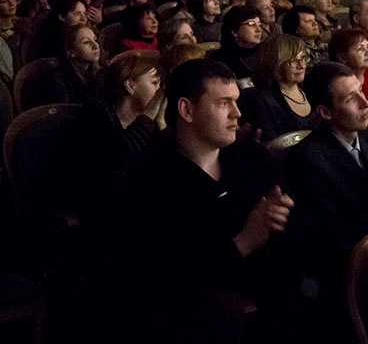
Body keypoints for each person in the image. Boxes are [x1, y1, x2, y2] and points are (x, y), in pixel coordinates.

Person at [113, 59, 293, 342]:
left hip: (282, 294)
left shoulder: (253, 159)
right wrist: (244, 241)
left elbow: (294, 232)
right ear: (186, 109)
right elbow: (165, 281)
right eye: (224, 103)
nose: (237, 113)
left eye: (236, 101)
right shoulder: (149, 181)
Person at [285, 62, 368, 335]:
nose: (365, 103)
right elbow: (333, 239)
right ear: (326, 112)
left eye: (361, 91)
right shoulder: (306, 160)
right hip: (346, 274)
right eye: (351, 98)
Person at [65, 50, 163, 224]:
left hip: (135, 205)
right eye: (154, 83)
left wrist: (162, 127)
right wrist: (147, 118)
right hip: (99, 209)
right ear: (130, 86)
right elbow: (114, 158)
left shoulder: (148, 124)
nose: (159, 90)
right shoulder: (94, 116)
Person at [238, 34, 319, 143]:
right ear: (275, 63)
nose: (301, 65)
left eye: (303, 58)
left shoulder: (312, 89)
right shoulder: (261, 99)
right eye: (293, 60)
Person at [209, 6, 262, 79]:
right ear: (234, 32)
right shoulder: (220, 59)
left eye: (259, 25)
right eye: (251, 24)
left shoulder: (266, 53)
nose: (259, 30)